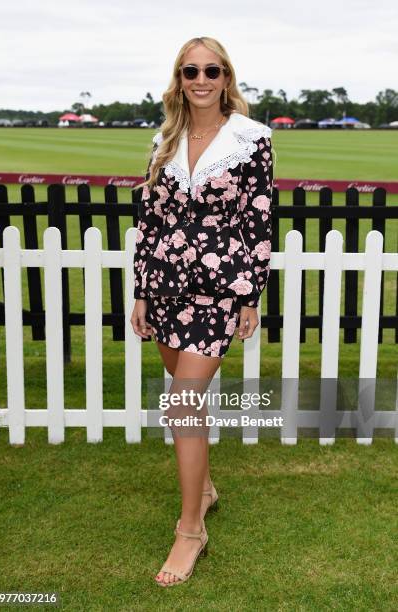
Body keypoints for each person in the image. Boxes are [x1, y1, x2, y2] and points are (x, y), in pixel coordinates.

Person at [130, 36, 274, 586]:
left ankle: (191, 530)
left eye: (212, 70)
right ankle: (206, 490)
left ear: (226, 77)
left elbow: (259, 221)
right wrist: (142, 290)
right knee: (185, 397)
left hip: (218, 289)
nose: (202, 79)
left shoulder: (251, 139)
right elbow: (151, 220)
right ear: (180, 78)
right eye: (191, 70)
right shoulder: (165, 138)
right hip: (165, 284)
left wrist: (250, 296)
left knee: (182, 404)